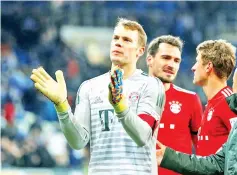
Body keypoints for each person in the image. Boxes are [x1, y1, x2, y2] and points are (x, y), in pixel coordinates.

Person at [30, 18, 165, 174]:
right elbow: (78, 141)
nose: (118, 43)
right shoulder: (89, 87)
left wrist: (121, 107)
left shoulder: (151, 85)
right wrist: (62, 106)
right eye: (116, 38)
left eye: (127, 40)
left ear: (140, 51)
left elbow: (143, 136)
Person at [156, 68, 237, 175]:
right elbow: (216, 163)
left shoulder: (223, 102)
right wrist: (168, 158)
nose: (193, 67)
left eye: (235, 85)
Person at [146, 35, 203, 175]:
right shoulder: (131, 97)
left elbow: (203, 151)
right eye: (166, 57)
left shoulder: (190, 99)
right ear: (149, 60)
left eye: (176, 60)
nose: (171, 65)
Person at [190, 39, 237, 157]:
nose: (193, 67)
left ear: (208, 66)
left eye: (197, 61)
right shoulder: (213, 104)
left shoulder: (228, 102)